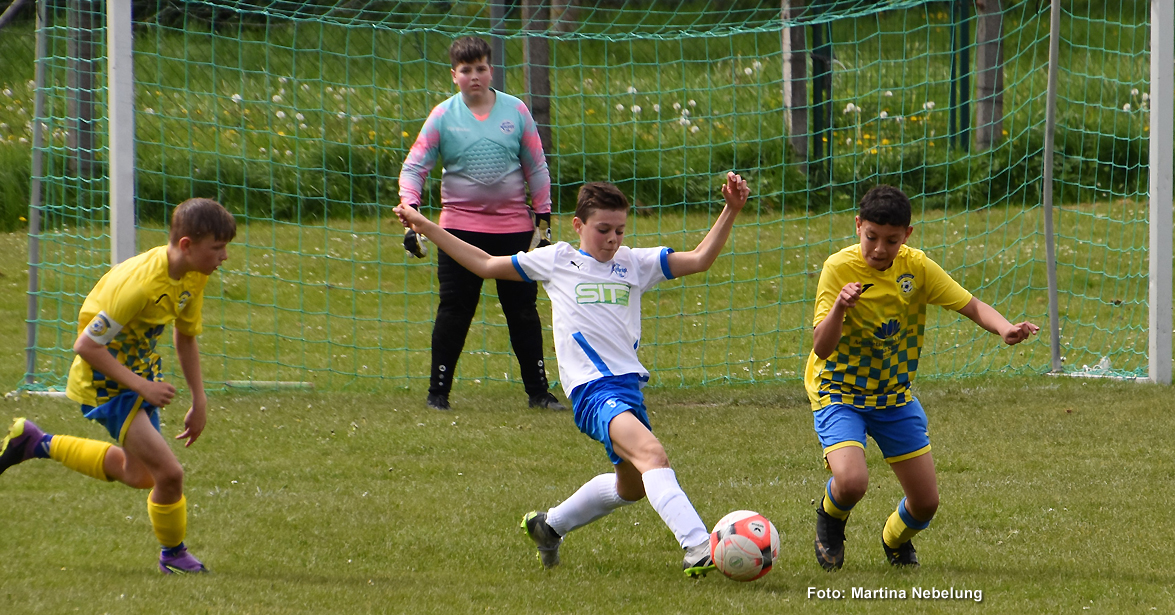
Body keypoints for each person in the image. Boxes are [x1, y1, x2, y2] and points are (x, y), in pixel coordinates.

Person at [394, 173, 750, 577]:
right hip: (592, 390)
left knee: (631, 487)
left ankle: (549, 526)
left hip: (628, 389)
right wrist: (427, 226)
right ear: (578, 225)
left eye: (619, 230)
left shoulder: (635, 263)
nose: (612, 239)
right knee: (653, 454)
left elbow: (700, 258)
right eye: (603, 230)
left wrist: (731, 209)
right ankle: (699, 546)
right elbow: (486, 264)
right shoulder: (558, 260)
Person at [805, 184, 1038, 570]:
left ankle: (894, 539)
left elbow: (971, 304)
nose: (880, 249)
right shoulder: (838, 268)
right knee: (852, 481)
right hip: (839, 390)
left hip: (893, 395)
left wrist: (1004, 329)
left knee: (926, 502)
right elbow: (822, 347)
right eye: (871, 238)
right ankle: (831, 519)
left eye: (892, 241)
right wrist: (840, 309)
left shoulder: (917, 267)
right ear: (858, 225)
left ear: (907, 236)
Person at [0, 198, 236, 574]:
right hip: (105, 381)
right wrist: (142, 386)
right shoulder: (140, 286)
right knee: (170, 475)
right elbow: (86, 346)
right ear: (188, 245)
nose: (224, 257)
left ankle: (35, 442)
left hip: (137, 376)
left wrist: (200, 398)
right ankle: (173, 555)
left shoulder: (194, 275)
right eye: (218, 248)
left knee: (138, 475)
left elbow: (185, 337)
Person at [398, 35, 563, 412]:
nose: (475, 76)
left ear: (491, 70)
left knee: (522, 311)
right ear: (454, 75)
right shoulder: (443, 116)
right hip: (458, 231)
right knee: (455, 310)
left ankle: (539, 393)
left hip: (513, 230)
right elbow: (414, 167)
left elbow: (535, 166)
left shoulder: (516, 111)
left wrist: (544, 217)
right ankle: (437, 394)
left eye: (482, 68)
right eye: (467, 70)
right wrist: (411, 212)